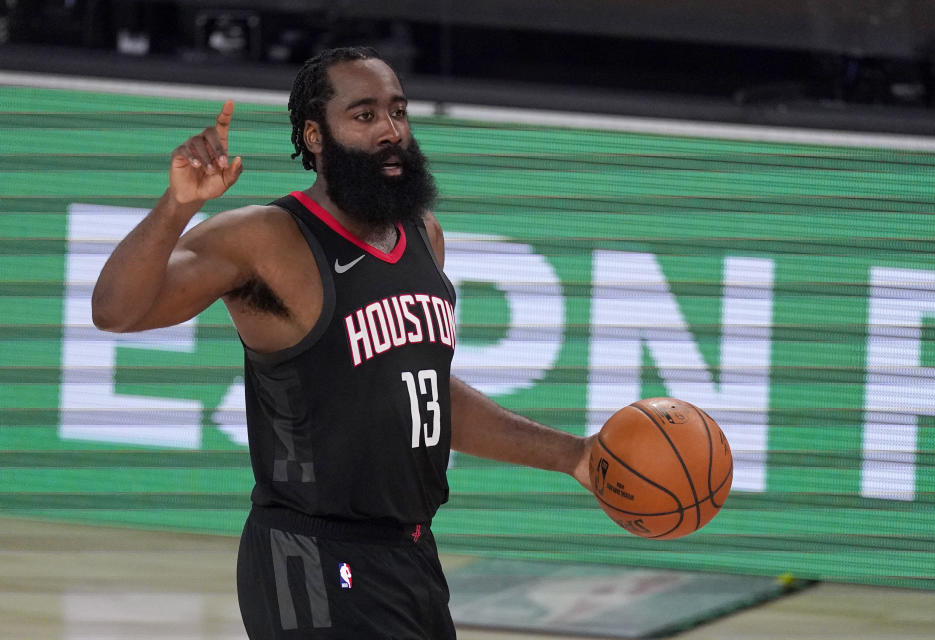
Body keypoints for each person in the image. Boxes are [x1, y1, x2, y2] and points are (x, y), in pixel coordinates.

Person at [92, 46, 595, 639]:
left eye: (398, 112)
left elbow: (422, 393)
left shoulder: (422, 234)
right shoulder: (265, 238)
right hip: (312, 555)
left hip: (410, 555)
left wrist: (574, 457)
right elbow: (116, 312)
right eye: (364, 116)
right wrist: (178, 207)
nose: (390, 130)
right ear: (315, 136)